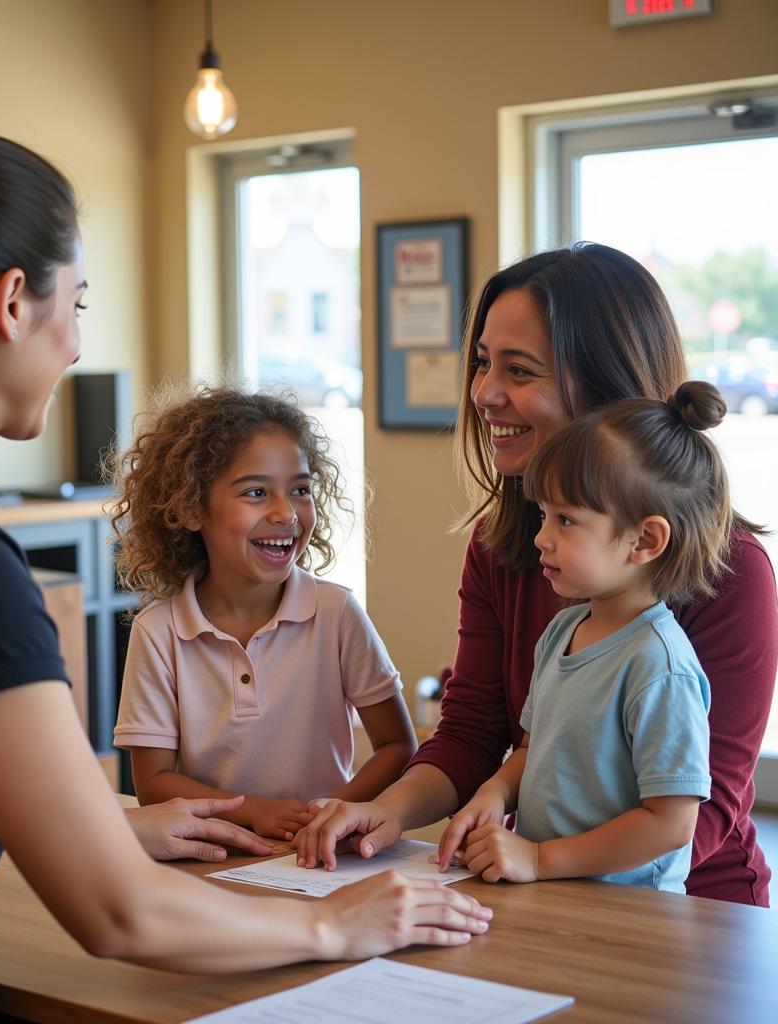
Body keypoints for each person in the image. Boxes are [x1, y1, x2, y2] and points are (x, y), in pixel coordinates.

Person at [0, 132, 492, 1022]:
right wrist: (340, 924)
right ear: (13, 303)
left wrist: (112, 827)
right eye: (78, 302)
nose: (75, 345)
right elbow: (118, 915)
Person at [297, 243, 778, 907]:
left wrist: (540, 862)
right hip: (549, 887)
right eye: (483, 363)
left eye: (519, 371)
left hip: (688, 909)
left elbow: (697, 817)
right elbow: (474, 731)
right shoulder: (505, 542)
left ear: (607, 388)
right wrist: (393, 809)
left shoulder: (732, 575)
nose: (483, 393)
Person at [436, 382, 729, 891]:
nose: (541, 537)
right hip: (551, 895)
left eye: (566, 520)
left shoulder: (658, 666)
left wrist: (542, 859)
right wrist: (494, 793)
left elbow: (671, 823)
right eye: (543, 515)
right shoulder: (563, 631)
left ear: (645, 540)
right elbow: (533, 747)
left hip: (631, 918)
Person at [111, 387, 418, 841]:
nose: (286, 513)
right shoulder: (158, 632)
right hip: (217, 856)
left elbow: (397, 745)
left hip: (322, 855)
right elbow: (153, 783)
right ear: (190, 509)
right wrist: (252, 813)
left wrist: (335, 814)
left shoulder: (336, 612)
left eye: (300, 490)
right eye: (256, 492)